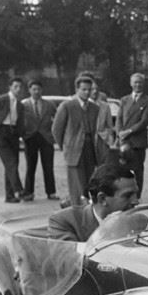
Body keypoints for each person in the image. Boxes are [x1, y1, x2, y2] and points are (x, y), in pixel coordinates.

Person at [48, 164, 139, 242]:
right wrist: (107, 230)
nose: (136, 201)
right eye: (128, 196)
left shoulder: (140, 221)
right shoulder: (64, 222)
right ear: (102, 199)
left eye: (136, 194)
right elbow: (71, 260)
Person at [53, 74, 102, 206]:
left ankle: (89, 208)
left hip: (90, 149)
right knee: (76, 184)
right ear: (77, 90)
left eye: (89, 90)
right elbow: (57, 130)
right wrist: (66, 146)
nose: (87, 93)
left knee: (90, 181)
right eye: (84, 89)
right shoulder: (67, 106)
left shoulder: (94, 108)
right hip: (73, 150)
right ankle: (77, 209)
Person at [0, 77, 26, 203]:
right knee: (10, 161)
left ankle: (10, 195)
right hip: (1, 133)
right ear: (10, 87)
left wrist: (21, 134)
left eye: (20, 87)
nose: (18, 89)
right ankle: (19, 189)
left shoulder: (20, 105)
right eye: (15, 86)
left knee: (12, 164)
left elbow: (20, 122)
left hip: (13, 134)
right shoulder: (0, 100)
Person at [117, 72, 148, 197]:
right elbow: (119, 118)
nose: (138, 85)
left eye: (140, 82)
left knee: (138, 169)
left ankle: (136, 195)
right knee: (122, 169)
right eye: (135, 82)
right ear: (131, 84)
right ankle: (124, 193)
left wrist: (129, 131)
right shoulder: (124, 100)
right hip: (124, 141)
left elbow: (144, 121)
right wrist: (120, 133)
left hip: (138, 141)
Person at [21, 79, 58, 201]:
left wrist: (53, 134)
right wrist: (23, 133)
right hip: (30, 137)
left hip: (46, 137)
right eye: (34, 89)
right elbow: (19, 120)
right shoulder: (24, 105)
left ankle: (51, 192)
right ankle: (28, 192)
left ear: (42, 90)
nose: (36, 92)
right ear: (29, 90)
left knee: (48, 166)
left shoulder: (49, 104)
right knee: (30, 166)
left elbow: (57, 119)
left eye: (38, 89)